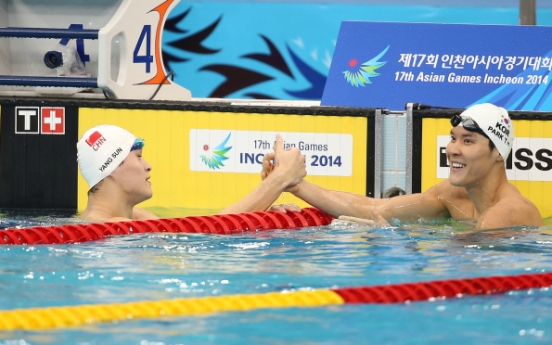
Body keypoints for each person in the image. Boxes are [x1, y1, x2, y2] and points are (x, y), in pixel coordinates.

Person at [262, 103, 543, 229]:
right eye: (453, 138)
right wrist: (293, 183)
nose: (453, 149)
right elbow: (375, 208)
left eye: (468, 141)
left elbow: (465, 270)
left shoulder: (507, 214)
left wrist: (395, 236)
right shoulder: (453, 195)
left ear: (498, 153)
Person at [77, 125, 306, 222]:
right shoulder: (108, 228)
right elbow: (209, 236)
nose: (148, 166)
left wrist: (260, 212)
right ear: (111, 168)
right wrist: (278, 181)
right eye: (138, 157)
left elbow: (200, 230)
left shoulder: (139, 217)